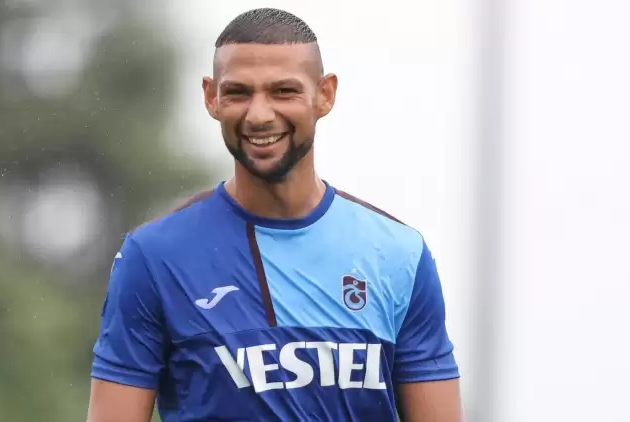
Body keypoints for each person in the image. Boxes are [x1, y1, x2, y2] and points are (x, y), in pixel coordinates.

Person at [86, 7, 463, 422]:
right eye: (238, 93)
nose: (259, 115)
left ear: (325, 94)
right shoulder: (155, 257)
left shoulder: (399, 255)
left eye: (284, 91)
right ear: (211, 97)